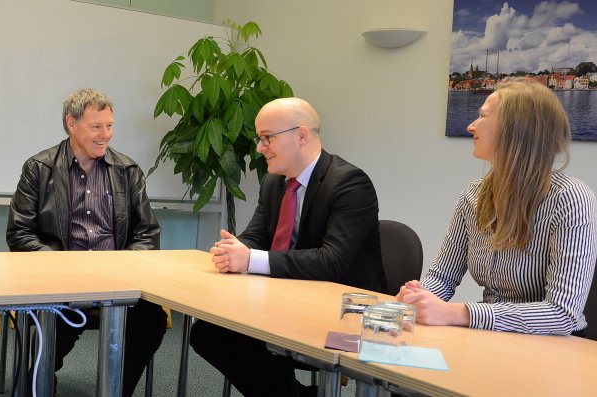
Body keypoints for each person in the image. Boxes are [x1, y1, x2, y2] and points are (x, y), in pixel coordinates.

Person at [191, 97, 384, 396]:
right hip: (284, 300)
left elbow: (331, 261)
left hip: (339, 312)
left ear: (302, 135)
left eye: (267, 137)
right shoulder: (274, 182)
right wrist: (233, 249)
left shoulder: (349, 183)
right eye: (259, 138)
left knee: (246, 340)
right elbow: (255, 237)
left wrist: (250, 259)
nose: (259, 147)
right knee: (208, 333)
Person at [396, 78, 596, 336]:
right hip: (487, 335)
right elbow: (442, 277)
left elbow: (562, 314)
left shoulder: (570, 198)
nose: (470, 126)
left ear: (515, 129)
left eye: (482, 116)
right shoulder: (473, 194)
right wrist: (418, 299)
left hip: (552, 347)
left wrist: (461, 313)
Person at [6, 88, 165, 396]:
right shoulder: (40, 169)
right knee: (58, 319)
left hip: (116, 280)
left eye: (109, 125)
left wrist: (121, 268)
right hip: (60, 280)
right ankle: (40, 379)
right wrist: (64, 267)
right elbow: (20, 233)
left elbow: (147, 234)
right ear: (71, 124)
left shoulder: (128, 171)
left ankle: (117, 389)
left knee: (152, 319)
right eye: (96, 126)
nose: (105, 134)